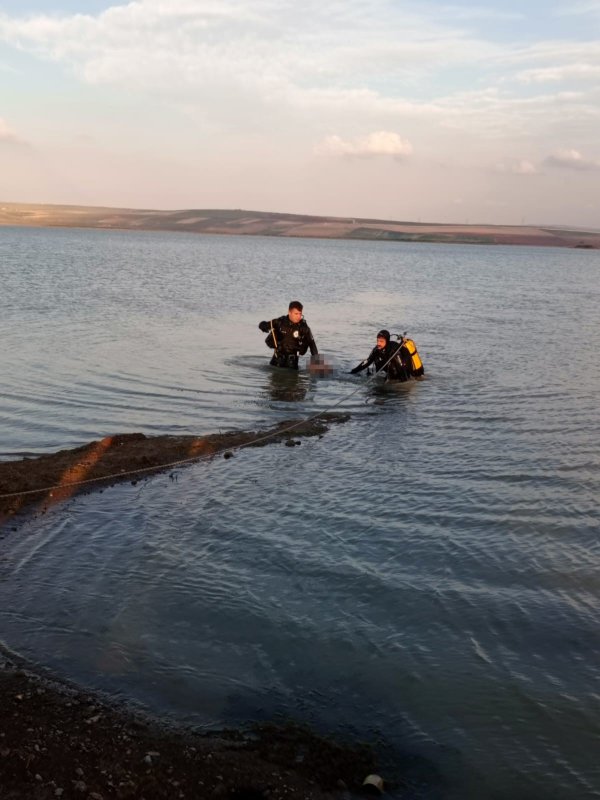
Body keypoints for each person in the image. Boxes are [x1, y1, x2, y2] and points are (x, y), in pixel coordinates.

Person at [258, 301, 318, 369]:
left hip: (292, 364)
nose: (299, 316)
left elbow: (312, 345)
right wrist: (263, 326)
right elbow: (263, 324)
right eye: (296, 314)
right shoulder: (280, 322)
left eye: (300, 314)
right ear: (289, 312)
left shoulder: (303, 327)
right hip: (276, 361)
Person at [350, 329, 424, 382]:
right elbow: (367, 362)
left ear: (387, 341)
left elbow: (402, 371)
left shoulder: (394, 352)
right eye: (377, 340)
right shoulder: (377, 349)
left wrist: (403, 388)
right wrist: (352, 372)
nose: (378, 343)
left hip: (401, 374)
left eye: (381, 341)